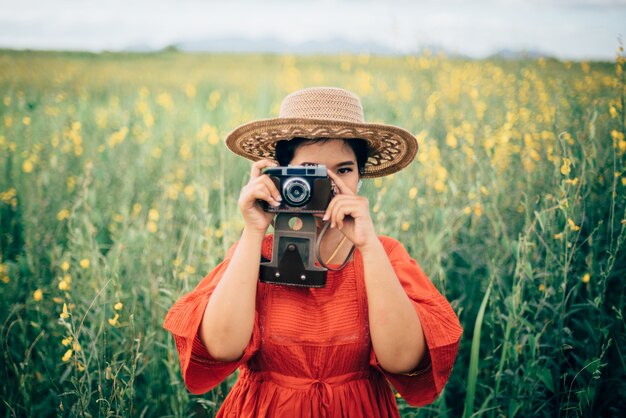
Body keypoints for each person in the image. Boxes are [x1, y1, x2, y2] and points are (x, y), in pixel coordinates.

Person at [164, 87, 463, 417]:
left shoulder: (383, 253)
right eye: (311, 170)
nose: (329, 184)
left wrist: (368, 244)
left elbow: (402, 359)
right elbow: (221, 348)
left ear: (361, 177)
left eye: (344, 170)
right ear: (282, 176)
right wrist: (252, 230)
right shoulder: (255, 251)